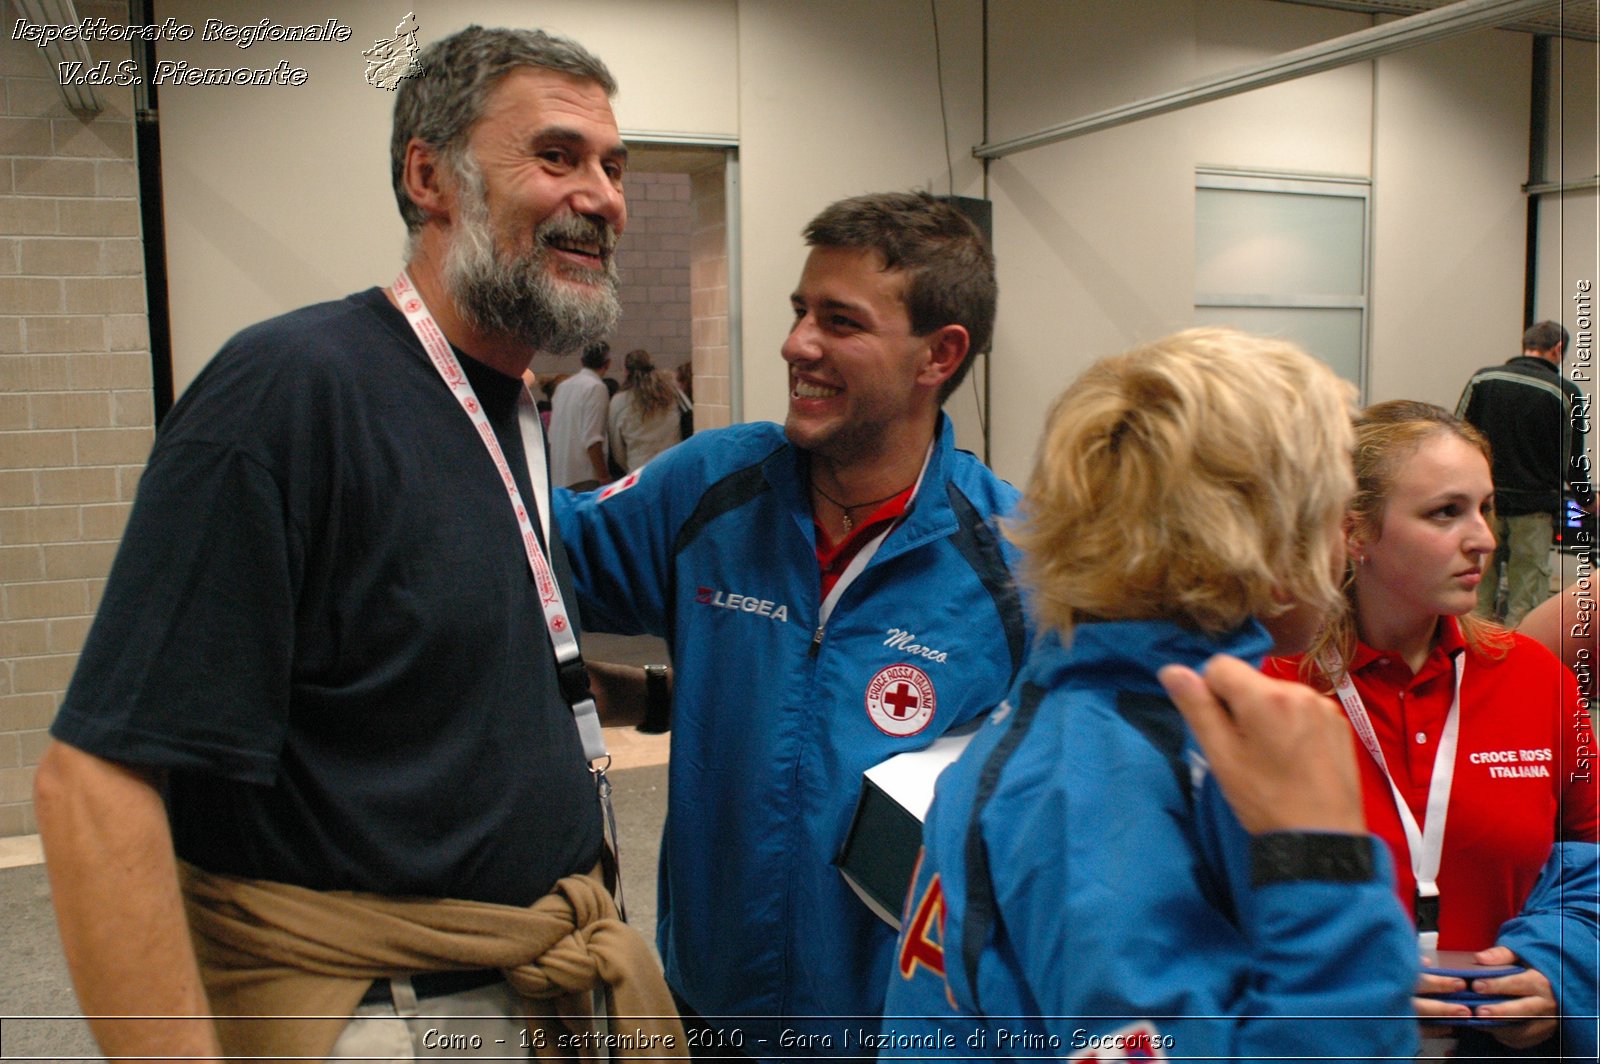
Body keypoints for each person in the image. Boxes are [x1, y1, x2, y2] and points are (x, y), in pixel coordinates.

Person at [31, 25, 682, 1062]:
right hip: (395, 1012)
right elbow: (93, 785)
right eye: (555, 156)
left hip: (533, 989)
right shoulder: (291, 390)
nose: (601, 195)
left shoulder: (507, 405)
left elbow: (430, 661)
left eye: (612, 166)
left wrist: (657, 694)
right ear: (429, 175)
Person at [556, 191, 1027, 1057]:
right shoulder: (709, 488)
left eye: (839, 322)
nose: (796, 344)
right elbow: (529, 555)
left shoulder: (1014, 569)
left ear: (939, 354)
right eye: (799, 312)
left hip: (891, 1032)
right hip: (706, 1011)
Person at [882, 328, 1420, 1060]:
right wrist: (1325, 876)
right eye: (1335, 511)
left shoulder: (1114, 716)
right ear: (1271, 550)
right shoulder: (1094, 787)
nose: (1346, 542)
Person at [1264, 400, 1598, 1059]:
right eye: (1446, 512)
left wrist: (1556, 970)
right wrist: (1343, 990)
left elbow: (1591, 869)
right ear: (1354, 532)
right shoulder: (1267, 689)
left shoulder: (1537, 680)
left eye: (1486, 507)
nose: (1485, 538)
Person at [1456, 321, 1592, 624]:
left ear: (1525, 344)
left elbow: (1457, 435)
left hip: (1484, 508)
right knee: (1526, 599)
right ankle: (1518, 664)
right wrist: (1587, 500)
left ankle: (1472, 658)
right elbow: (1574, 460)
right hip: (1534, 512)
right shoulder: (1566, 392)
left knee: (1476, 589)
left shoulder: (1484, 379)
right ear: (1558, 350)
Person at [550, 339, 614, 488]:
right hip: (584, 477)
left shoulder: (563, 387)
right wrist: (604, 477)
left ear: (581, 361)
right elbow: (592, 438)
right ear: (608, 363)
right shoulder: (597, 387)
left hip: (558, 474)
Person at [608, 348, 683, 472]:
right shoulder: (671, 393)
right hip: (671, 465)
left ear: (626, 372)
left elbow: (617, 448)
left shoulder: (619, 401)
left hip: (638, 469)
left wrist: (627, 466)